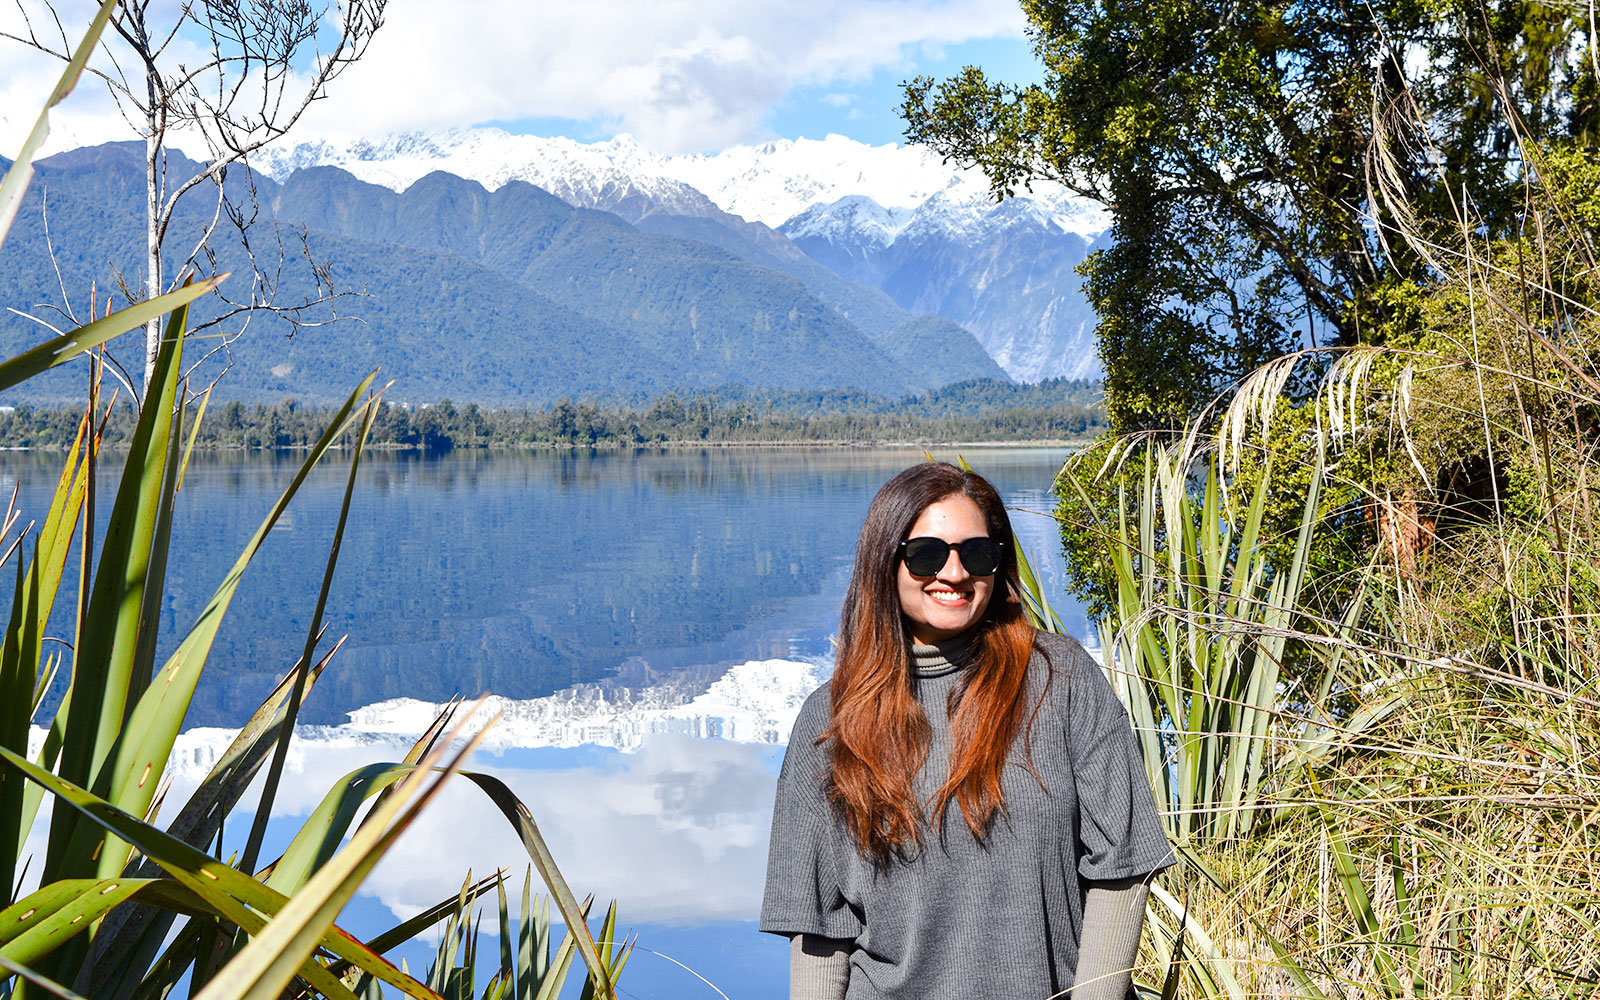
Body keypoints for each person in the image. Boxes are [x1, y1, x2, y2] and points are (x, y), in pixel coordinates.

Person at [760, 462, 1174, 999]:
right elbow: (820, 933)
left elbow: (1121, 868)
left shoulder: (1060, 679)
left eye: (976, 554)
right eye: (927, 554)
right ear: (885, 563)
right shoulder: (830, 718)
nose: (954, 574)